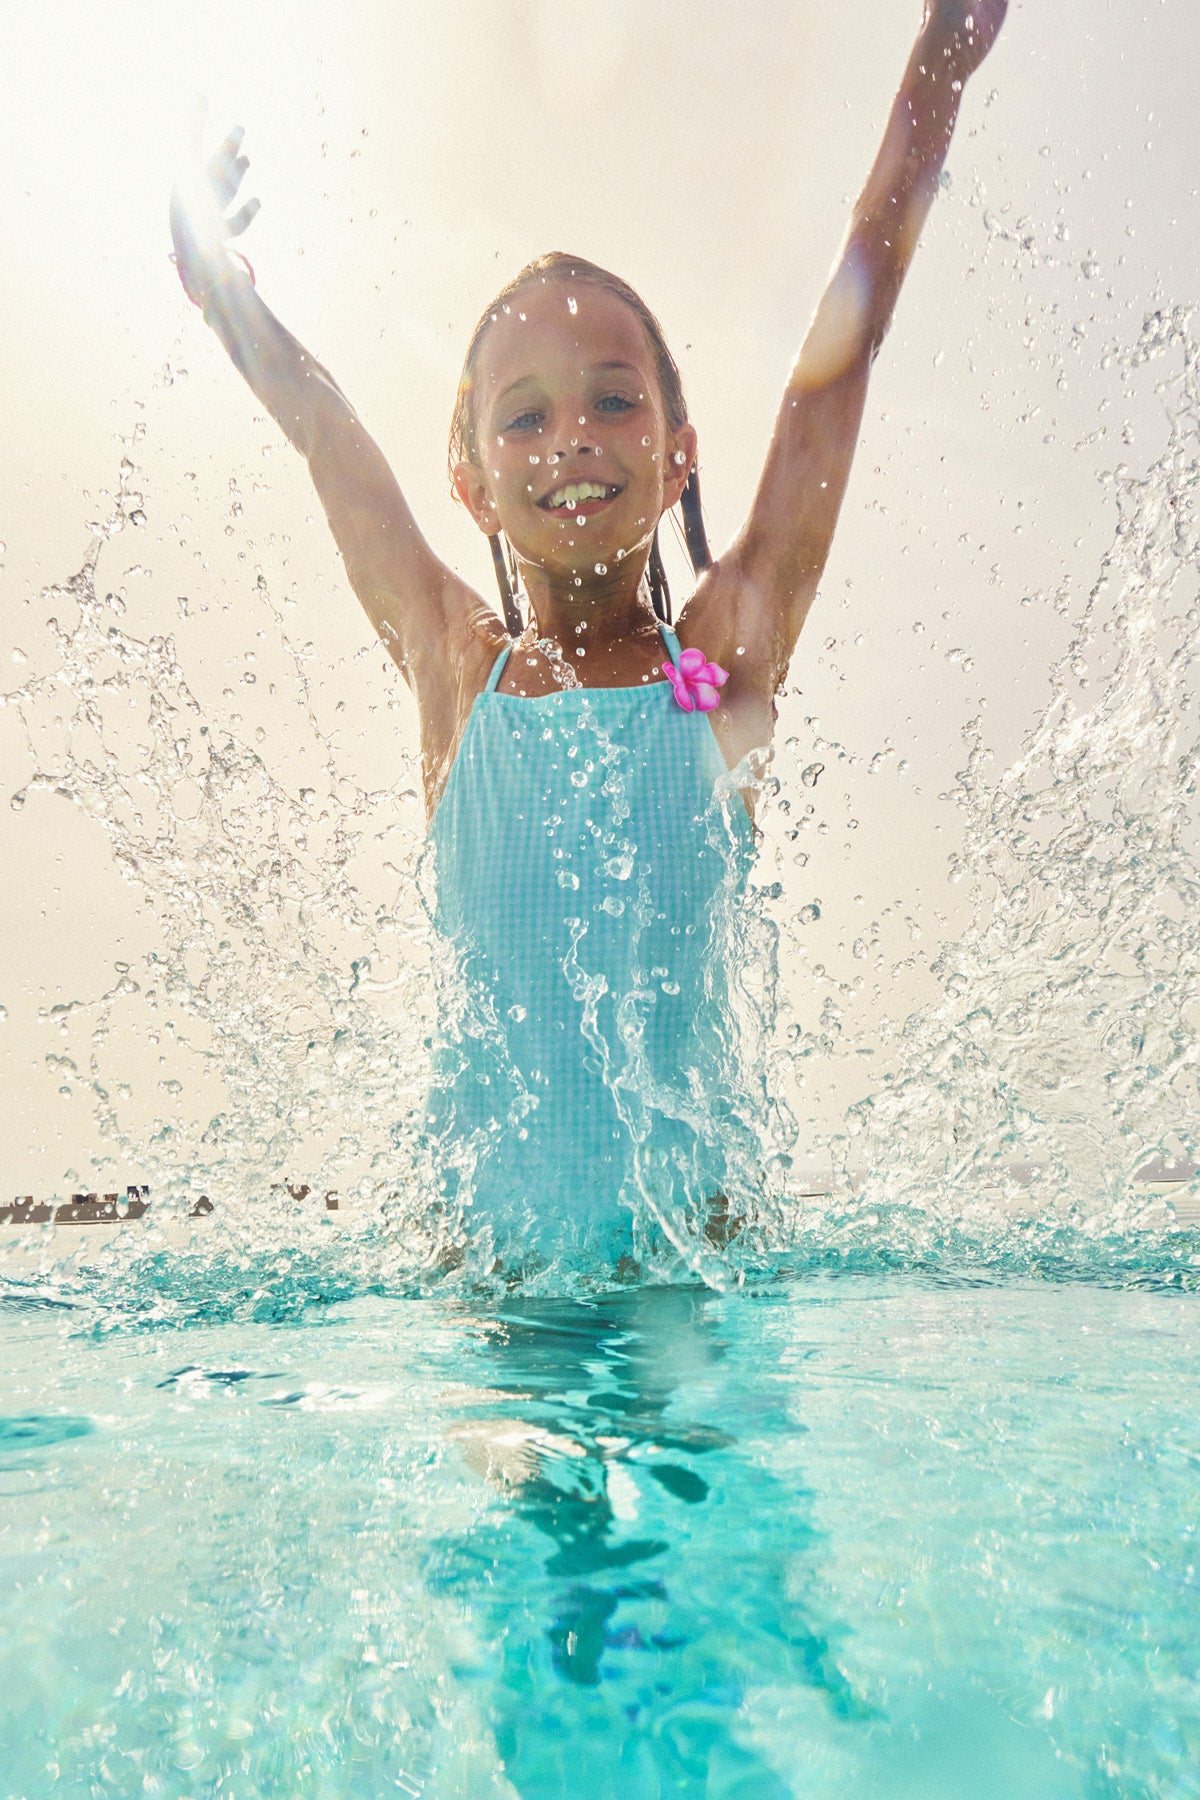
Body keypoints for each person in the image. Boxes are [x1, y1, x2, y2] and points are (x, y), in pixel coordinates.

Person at [170, 0, 1007, 1274]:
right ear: (469, 481)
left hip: (695, 1299)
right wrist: (218, 291)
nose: (572, 438)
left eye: (615, 402)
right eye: (526, 418)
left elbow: (844, 352)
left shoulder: (714, 670)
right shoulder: (461, 673)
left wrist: (937, 66)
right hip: (494, 1313)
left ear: (677, 455)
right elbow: (323, 429)